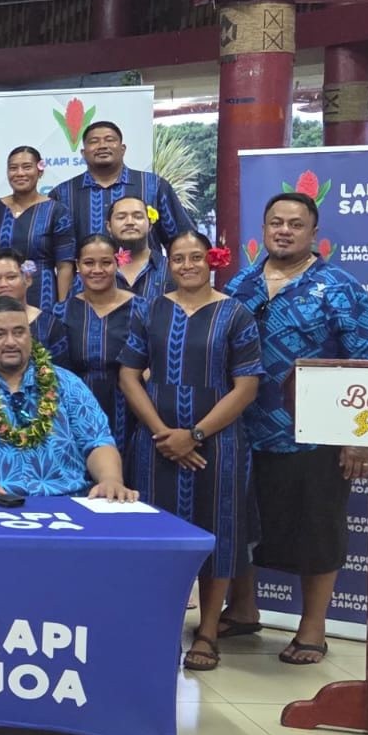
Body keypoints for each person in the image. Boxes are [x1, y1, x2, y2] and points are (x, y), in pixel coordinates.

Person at [219, 192, 368, 666]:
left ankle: (313, 630)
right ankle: (244, 608)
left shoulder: (339, 286)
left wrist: (358, 436)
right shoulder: (240, 285)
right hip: (243, 428)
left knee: (317, 530)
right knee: (243, 523)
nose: (284, 231)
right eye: (275, 222)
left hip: (314, 433)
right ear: (264, 228)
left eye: (294, 224)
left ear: (314, 233)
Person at [119, 230, 262, 672]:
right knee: (156, 535)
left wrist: (194, 435)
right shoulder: (150, 309)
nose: (186, 266)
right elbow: (129, 375)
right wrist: (165, 433)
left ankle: (207, 632)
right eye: (178, 259)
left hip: (217, 443)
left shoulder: (235, 314)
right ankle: (155, 625)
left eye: (195, 257)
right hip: (155, 441)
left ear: (211, 260)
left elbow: (247, 386)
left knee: (217, 530)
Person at [0, 296, 136, 501]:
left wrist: (110, 480)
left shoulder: (66, 382)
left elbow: (97, 440)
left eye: (19, 332)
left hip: (63, 501)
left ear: (30, 335)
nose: (11, 342)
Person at [57, 235, 143, 449]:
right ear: (77, 266)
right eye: (88, 263)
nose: (97, 270)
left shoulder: (142, 309)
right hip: (76, 408)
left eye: (106, 262)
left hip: (132, 408)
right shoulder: (61, 312)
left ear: (118, 262)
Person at [50, 120, 193, 248]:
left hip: (147, 277)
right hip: (85, 277)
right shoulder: (62, 194)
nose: (102, 146)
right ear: (83, 153)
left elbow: (182, 240)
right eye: (94, 141)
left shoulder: (154, 186)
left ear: (122, 149)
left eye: (109, 140)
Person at [0, 146, 75, 310]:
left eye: (27, 167)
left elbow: (64, 265)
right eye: (13, 168)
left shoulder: (57, 211)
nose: (20, 173)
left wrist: (62, 307)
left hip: (42, 294)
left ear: (40, 170)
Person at [0, 250, 70, 363]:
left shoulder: (49, 325)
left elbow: (60, 372)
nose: (3, 284)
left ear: (28, 279)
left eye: (11, 277)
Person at [104, 195, 174, 303]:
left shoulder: (172, 269)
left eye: (138, 216)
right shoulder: (94, 272)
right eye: (121, 217)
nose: (130, 222)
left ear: (150, 225)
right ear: (109, 226)